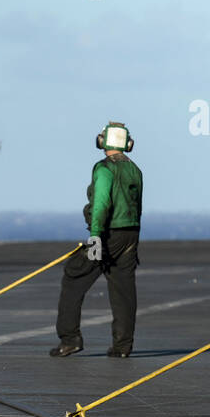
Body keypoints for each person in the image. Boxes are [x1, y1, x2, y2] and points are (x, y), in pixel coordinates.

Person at [51, 122, 142, 358]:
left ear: (103, 141)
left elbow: (101, 203)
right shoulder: (135, 170)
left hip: (108, 233)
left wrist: (95, 236)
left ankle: (70, 339)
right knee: (123, 289)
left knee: (74, 276)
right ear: (127, 144)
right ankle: (123, 346)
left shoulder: (103, 169)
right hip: (131, 234)